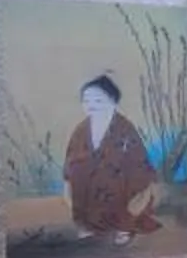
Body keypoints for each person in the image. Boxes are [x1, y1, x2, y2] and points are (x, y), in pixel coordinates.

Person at [64, 74, 159, 244]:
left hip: (118, 178)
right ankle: (89, 225)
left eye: (99, 101)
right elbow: (72, 156)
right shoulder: (81, 130)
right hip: (90, 182)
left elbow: (137, 159)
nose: (92, 105)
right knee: (78, 175)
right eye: (87, 101)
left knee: (120, 182)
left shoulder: (124, 128)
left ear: (113, 102)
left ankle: (124, 226)